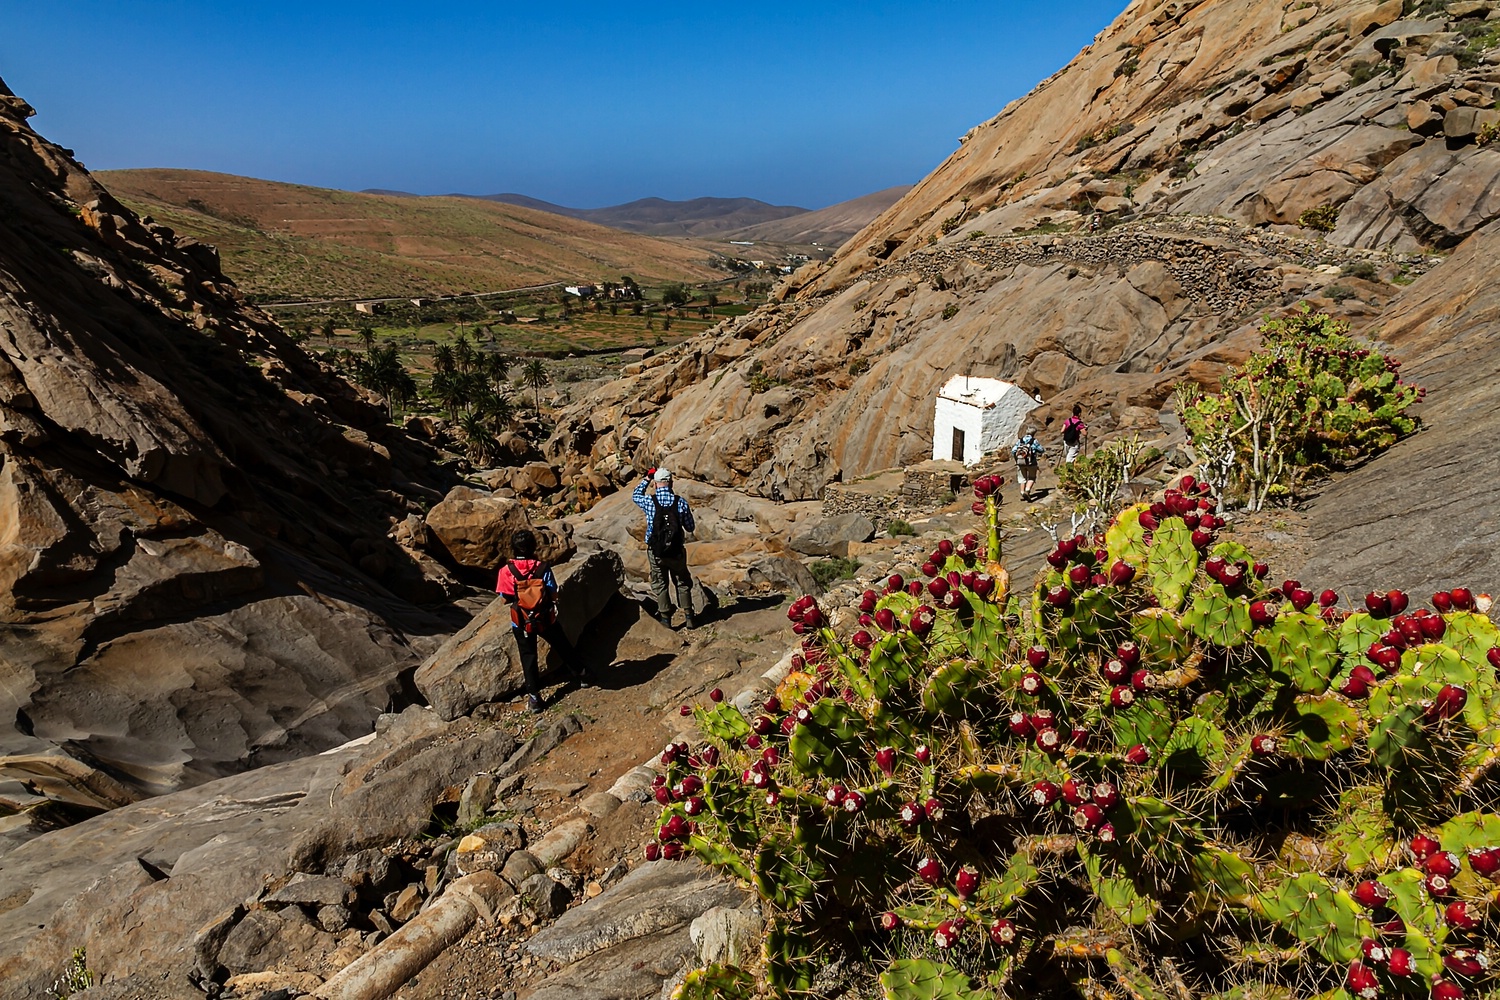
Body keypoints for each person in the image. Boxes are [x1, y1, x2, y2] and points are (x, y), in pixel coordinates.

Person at [496, 529, 590, 713]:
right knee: (561, 644)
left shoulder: (506, 571)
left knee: (528, 655)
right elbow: (553, 593)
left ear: (513, 549)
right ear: (533, 547)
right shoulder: (542, 567)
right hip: (545, 617)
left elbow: (504, 598)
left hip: (521, 621)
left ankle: (534, 698)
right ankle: (583, 675)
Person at [632, 467, 696, 629]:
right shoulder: (680, 502)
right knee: (682, 581)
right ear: (671, 483)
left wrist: (647, 479)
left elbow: (635, 495)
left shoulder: (649, 501)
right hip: (676, 551)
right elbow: (690, 527)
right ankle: (689, 616)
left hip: (656, 551)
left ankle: (666, 619)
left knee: (660, 583)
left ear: (655, 483)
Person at [1012, 426, 1045, 502]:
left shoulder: (1020, 441)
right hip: (1031, 462)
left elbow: (1013, 451)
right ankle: (1027, 490)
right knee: (1031, 477)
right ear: (1034, 433)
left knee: (1022, 478)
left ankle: (1022, 492)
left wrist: (1017, 460)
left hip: (1020, 462)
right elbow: (1041, 450)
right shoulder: (1034, 441)